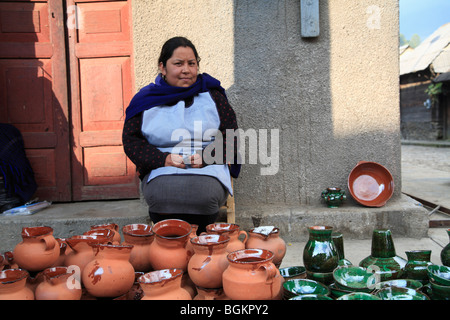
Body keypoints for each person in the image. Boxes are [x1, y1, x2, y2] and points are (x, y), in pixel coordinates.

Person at [122, 36, 240, 234]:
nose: (186, 69)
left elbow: (231, 137)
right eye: (178, 63)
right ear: (163, 67)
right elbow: (131, 140)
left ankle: (203, 240)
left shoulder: (213, 96)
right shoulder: (145, 100)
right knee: (162, 195)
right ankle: (170, 245)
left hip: (208, 167)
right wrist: (163, 159)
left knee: (204, 196)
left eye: (192, 64)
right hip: (162, 167)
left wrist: (205, 157)